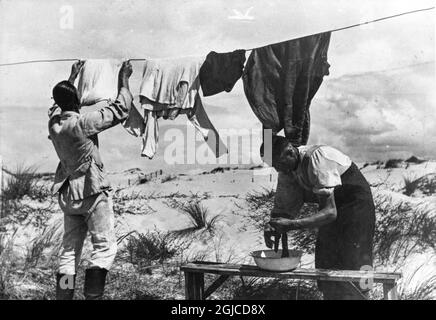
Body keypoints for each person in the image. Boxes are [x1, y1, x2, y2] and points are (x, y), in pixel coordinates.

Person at [48, 60, 133, 300]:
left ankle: (64, 297)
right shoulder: (82, 124)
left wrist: (72, 77)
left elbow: (58, 106)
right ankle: (93, 297)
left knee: (68, 253)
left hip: (68, 196)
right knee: (104, 248)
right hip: (92, 192)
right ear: (77, 100)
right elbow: (120, 110)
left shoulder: (54, 125)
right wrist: (124, 79)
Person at [263, 136, 376, 300]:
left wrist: (292, 225)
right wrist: (273, 225)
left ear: (290, 152)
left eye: (279, 164)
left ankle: (365, 296)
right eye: (273, 166)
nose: (277, 169)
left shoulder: (317, 158)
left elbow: (330, 213)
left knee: (358, 259)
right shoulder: (286, 169)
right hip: (332, 206)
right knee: (325, 261)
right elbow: (283, 208)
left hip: (356, 205)